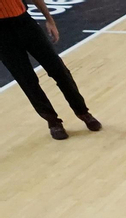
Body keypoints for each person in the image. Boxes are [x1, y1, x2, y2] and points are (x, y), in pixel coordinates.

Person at [0, 0, 99, 140]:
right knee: (27, 81)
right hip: (2, 36)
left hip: (24, 24)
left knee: (59, 70)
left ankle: (83, 112)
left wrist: (49, 20)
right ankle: (53, 122)